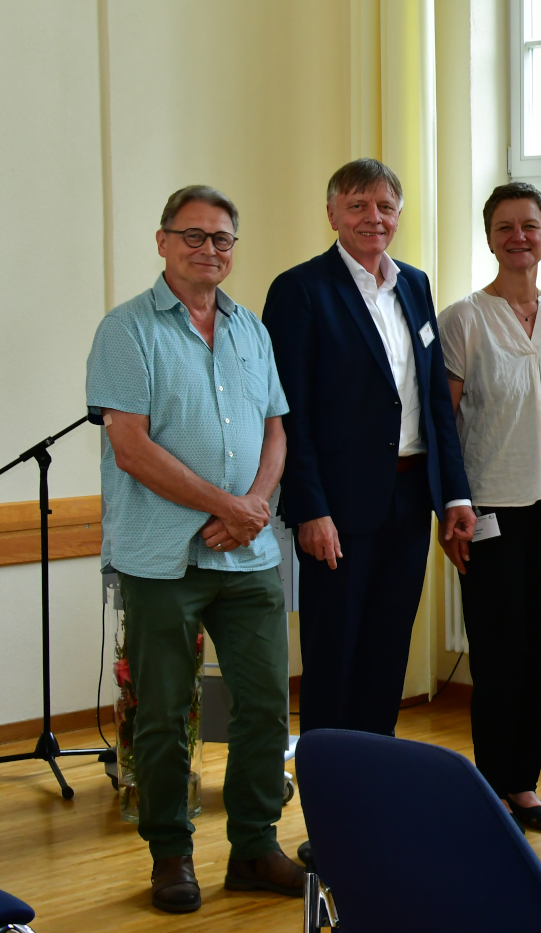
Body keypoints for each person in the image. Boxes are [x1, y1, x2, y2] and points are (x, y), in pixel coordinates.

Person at [86, 186, 304, 913]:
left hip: (248, 557)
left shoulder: (251, 329)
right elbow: (131, 447)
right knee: (165, 712)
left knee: (265, 703)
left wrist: (256, 509)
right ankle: (170, 854)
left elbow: (276, 430)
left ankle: (253, 846)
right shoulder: (127, 329)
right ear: (162, 241)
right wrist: (226, 505)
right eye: (194, 235)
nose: (209, 249)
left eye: (222, 239)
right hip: (163, 560)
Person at [262, 159, 476, 743]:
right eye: (357, 205)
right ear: (331, 214)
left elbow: (435, 401)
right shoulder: (300, 290)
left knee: (387, 654)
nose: (372, 217)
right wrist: (309, 508)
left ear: (399, 216)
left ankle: (374, 792)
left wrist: (454, 492)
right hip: (337, 509)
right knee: (335, 660)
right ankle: (329, 811)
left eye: (384, 206)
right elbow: (289, 413)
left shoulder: (415, 283)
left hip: (410, 500)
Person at [438, 182, 541, 831]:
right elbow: (446, 423)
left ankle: (524, 783)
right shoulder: (465, 318)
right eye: (506, 227)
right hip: (490, 507)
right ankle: (492, 787)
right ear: (490, 236)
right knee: (499, 653)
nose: (519, 236)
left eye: (530, 225)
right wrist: (452, 505)